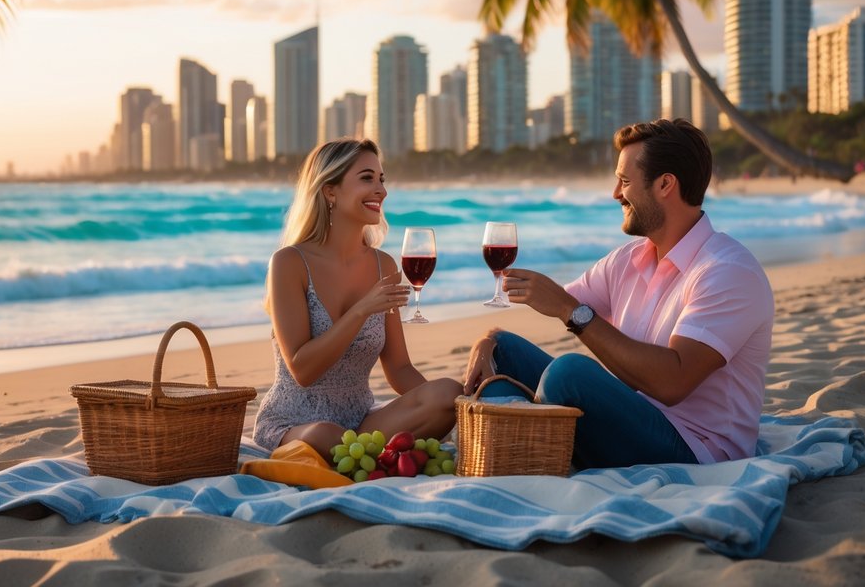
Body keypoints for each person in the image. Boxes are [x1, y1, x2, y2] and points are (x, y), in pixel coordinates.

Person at [462, 118, 774, 469]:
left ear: (665, 185)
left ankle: (529, 444)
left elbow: (673, 382)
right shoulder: (628, 259)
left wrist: (571, 311)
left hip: (696, 449)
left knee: (568, 375)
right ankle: (522, 444)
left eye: (624, 182)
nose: (615, 193)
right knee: (503, 353)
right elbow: (561, 303)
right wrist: (488, 340)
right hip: (631, 416)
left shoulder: (728, 271)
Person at [253, 138, 461, 455]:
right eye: (367, 178)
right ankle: (373, 456)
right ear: (329, 190)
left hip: (362, 424)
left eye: (381, 179)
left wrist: (449, 408)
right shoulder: (289, 263)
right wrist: (361, 310)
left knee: (449, 393)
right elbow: (303, 370)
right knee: (327, 435)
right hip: (295, 424)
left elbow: (400, 369)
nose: (381, 190)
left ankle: (369, 455)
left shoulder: (384, 265)